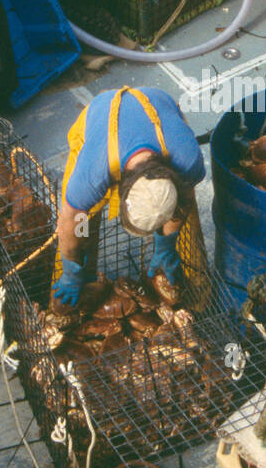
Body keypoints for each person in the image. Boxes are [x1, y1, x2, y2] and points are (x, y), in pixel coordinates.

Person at [53, 86, 205, 308]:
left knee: (186, 228)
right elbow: (73, 218)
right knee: (82, 225)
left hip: (159, 107)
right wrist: (71, 267)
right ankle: (73, 287)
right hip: (102, 118)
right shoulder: (93, 175)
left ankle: (193, 298)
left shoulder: (187, 161)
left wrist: (167, 245)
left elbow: (184, 201)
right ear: (122, 190)